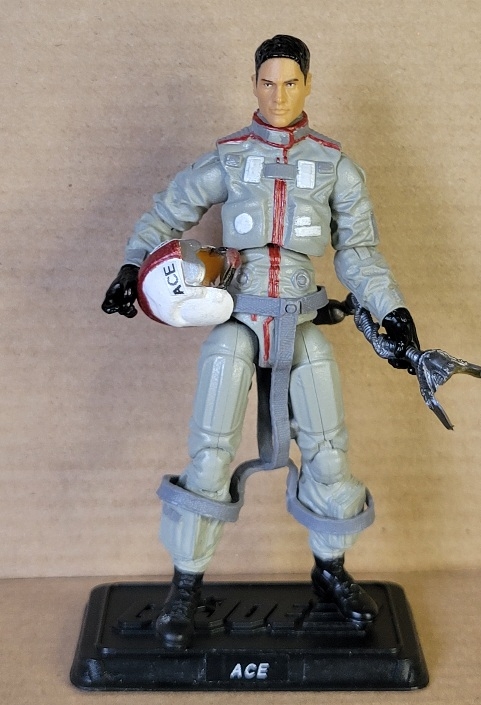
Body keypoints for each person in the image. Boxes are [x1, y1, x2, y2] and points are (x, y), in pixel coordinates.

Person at [102, 35, 420, 649]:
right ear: (254, 84)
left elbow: (359, 251)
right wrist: (132, 266)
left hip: (300, 322)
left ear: (308, 85)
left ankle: (330, 569)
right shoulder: (227, 159)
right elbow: (167, 212)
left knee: (328, 450)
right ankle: (186, 583)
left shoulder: (334, 165)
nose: (278, 95)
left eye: (290, 83)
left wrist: (393, 309)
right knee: (210, 451)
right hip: (238, 318)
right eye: (268, 83)